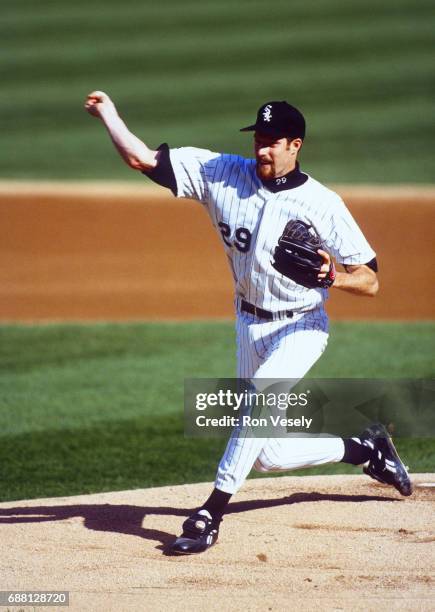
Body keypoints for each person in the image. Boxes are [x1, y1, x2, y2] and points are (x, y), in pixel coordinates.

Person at [85, 92, 413, 555]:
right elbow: (142, 159)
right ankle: (365, 448)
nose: (262, 149)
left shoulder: (323, 203)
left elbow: (371, 280)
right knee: (267, 455)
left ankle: (208, 514)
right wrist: (109, 114)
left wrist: (332, 276)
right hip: (248, 325)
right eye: (258, 138)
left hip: (302, 326)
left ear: (295, 145)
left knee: (256, 402)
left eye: (273, 142)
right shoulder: (222, 173)